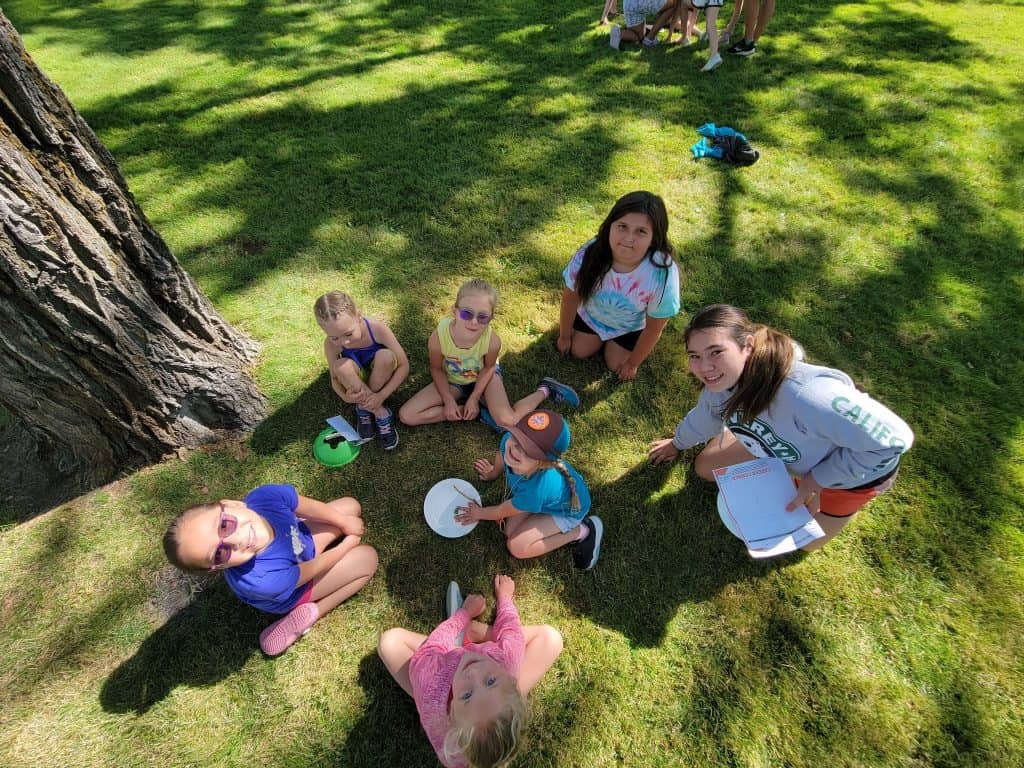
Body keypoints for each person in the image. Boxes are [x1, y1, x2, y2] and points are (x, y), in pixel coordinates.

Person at [648, 304, 914, 550]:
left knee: (805, 543)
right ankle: (754, 439)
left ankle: (810, 483)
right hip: (782, 450)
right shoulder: (722, 384)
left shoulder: (809, 395)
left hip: (850, 477)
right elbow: (705, 415)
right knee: (705, 468)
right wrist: (676, 443)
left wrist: (818, 479)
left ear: (747, 346)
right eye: (694, 356)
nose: (704, 367)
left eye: (716, 352)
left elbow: (892, 441)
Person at [163, 485, 378, 655]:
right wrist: (346, 545)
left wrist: (343, 522)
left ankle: (330, 537)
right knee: (368, 559)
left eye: (224, 526)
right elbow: (313, 569)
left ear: (232, 504)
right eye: (219, 554)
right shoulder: (262, 580)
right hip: (297, 587)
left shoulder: (264, 497)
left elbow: (305, 506)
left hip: (299, 544)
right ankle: (313, 612)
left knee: (350, 507)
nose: (237, 540)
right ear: (217, 568)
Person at [378, 574, 564, 768]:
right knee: (552, 639)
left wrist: (464, 614)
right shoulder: (507, 660)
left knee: (389, 642)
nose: (473, 673)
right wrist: (505, 598)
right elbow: (511, 630)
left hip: (441, 664)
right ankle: (473, 633)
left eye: (467, 695)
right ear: (510, 681)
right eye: (491, 682)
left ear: (450, 716)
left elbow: (430, 650)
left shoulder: (432, 688)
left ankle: (462, 635)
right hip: (483, 657)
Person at [399, 278, 579, 431]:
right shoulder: (438, 337)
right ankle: (473, 412)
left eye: (482, 317)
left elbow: (489, 367)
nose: (474, 322)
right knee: (407, 415)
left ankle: (546, 389)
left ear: (490, 319)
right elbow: (436, 369)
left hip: (485, 377)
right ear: (454, 311)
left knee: (508, 421)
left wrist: (475, 396)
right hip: (453, 379)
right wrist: (448, 400)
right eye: (466, 314)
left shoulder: (492, 341)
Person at [556, 191, 681, 381]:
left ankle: (616, 347)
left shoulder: (662, 274)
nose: (629, 238)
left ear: (654, 238)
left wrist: (633, 364)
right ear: (610, 226)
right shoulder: (589, 253)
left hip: (630, 327)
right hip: (591, 316)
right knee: (578, 351)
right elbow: (571, 297)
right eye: (622, 226)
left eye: (641, 231)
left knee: (617, 365)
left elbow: (654, 328)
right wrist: (564, 336)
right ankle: (591, 338)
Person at [457, 409, 603, 570]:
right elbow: (501, 453)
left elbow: (499, 512)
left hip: (570, 512)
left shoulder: (536, 491)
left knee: (517, 547)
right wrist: (492, 473)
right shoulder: (508, 441)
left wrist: (478, 513)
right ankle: (541, 510)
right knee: (509, 530)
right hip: (545, 500)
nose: (515, 449)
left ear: (544, 464)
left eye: (529, 452)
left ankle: (581, 531)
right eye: (517, 437)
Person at [315, 291, 409, 450]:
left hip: (381, 372)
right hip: (354, 378)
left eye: (348, 333)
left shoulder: (378, 329)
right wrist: (346, 397)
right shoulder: (330, 345)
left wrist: (382, 395)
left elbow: (403, 366)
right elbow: (334, 379)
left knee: (385, 356)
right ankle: (380, 412)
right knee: (340, 367)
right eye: (334, 337)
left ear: (358, 316)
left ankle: (365, 407)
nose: (344, 341)